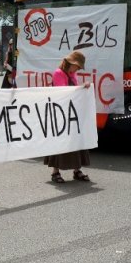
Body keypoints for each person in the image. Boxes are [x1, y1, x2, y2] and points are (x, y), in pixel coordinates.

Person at [44, 51, 92, 183]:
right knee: (60, 141)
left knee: (76, 140)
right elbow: (63, 92)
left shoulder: (72, 74)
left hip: (71, 111)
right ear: (70, 63)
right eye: (77, 66)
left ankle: (77, 170)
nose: (77, 69)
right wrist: (81, 88)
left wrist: (83, 89)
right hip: (60, 112)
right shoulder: (58, 73)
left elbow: (74, 92)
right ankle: (55, 172)